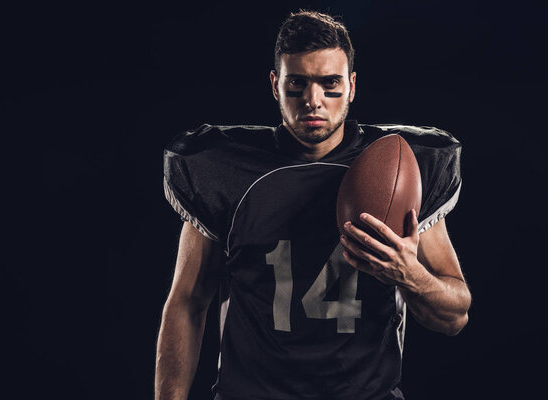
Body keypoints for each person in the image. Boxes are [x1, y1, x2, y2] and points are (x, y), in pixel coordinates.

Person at [155, 10, 471, 400]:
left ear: (352, 86)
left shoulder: (398, 170)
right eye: (297, 84)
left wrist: (409, 274)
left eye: (330, 84)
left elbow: (455, 314)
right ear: (275, 84)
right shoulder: (226, 170)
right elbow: (187, 302)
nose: (313, 101)